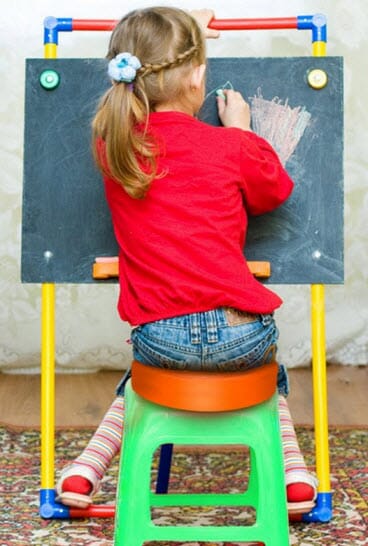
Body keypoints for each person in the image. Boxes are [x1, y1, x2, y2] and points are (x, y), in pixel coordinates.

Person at [56, 7, 317, 515]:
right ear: (199, 77)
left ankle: (87, 469)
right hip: (243, 335)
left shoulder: (114, 145)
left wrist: (185, 28)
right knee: (271, 374)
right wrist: (243, 131)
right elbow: (274, 191)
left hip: (160, 339)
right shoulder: (228, 146)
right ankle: (295, 476)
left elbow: (148, 62)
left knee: (138, 380)